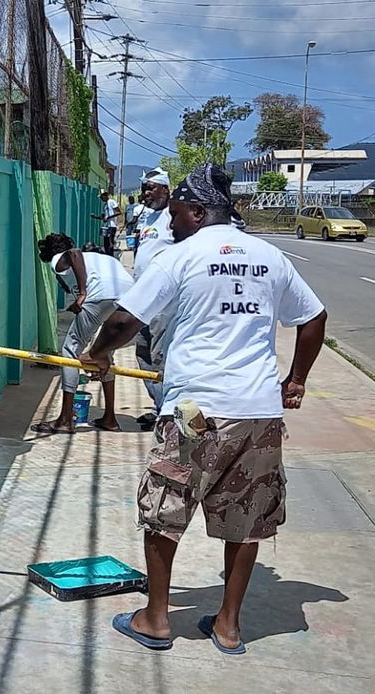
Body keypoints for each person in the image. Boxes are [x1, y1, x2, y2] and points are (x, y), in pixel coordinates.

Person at [81, 163, 327, 655]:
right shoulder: (270, 256)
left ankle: (155, 619)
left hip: (196, 412)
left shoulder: (182, 256)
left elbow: (126, 318)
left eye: (175, 214)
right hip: (258, 414)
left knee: (164, 512)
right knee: (248, 519)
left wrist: (97, 353)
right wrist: (295, 380)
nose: (169, 224)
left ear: (197, 211)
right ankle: (228, 627)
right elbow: (314, 316)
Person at [34, 233, 133, 434]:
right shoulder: (101, 258)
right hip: (129, 298)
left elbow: (73, 253)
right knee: (105, 353)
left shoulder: (59, 258)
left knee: (70, 350)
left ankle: (65, 419)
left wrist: (82, 293)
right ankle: (110, 419)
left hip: (100, 296)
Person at [132, 168, 173, 430]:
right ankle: (160, 408)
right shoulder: (148, 217)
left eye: (150, 188)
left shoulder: (174, 218)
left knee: (162, 357)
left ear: (165, 190)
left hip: (164, 303)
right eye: (144, 188)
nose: (145, 193)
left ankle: (170, 411)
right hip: (142, 301)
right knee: (143, 354)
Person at [93, 191, 121, 256]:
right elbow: (103, 217)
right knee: (106, 244)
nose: (101, 199)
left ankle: (111, 257)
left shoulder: (111, 202)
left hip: (112, 226)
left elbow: (118, 212)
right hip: (106, 226)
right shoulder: (105, 205)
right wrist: (95, 217)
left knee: (110, 243)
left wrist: (108, 217)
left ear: (105, 196)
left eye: (101, 197)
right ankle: (107, 255)